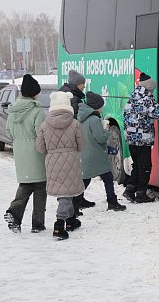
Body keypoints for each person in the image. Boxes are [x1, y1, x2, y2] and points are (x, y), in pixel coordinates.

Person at [36, 91, 86, 240]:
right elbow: (82, 145)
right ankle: (59, 225)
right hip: (71, 159)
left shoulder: (45, 125)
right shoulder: (75, 123)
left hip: (52, 160)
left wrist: (52, 152)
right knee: (66, 193)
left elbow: (40, 147)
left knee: (64, 192)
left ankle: (70, 221)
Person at [122, 72, 159, 203]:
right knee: (145, 166)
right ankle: (141, 194)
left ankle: (130, 190)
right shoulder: (147, 99)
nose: (154, 90)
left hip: (131, 138)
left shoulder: (133, 96)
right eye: (152, 87)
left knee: (137, 165)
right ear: (149, 87)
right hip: (143, 138)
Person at [3, 74, 47, 234]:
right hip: (36, 152)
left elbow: (8, 131)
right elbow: (41, 135)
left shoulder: (13, 111)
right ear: (35, 93)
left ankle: (14, 215)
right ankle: (37, 224)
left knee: (26, 184)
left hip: (20, 152)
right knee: (40, 187)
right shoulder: (37, 112)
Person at [76, 91, 126, 211]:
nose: (102, 107)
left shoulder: (82, 118)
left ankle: (76, 200)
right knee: (108, 177)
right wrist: (106, 131)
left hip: (86, 153)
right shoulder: (94, 119)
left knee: (86, 178)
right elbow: (100, 138)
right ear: (96, 106)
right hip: (96, 154)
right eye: (101, 105)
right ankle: (112, 202)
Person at [60, 69, 92, 212]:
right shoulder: (73, 99)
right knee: (75, 174)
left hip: (68, 142)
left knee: (77, 173)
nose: (84, 86)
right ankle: (75, 204)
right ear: (77, 84)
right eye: (83, 84)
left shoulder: (70, 95)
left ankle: (79, 199)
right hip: (71, 143)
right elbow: (75, 121)